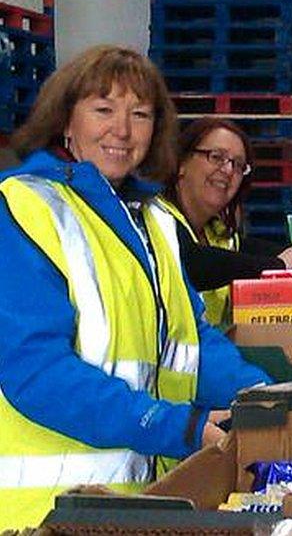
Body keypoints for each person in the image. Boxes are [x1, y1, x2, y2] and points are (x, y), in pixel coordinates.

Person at [0, 45, 271, 529]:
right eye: (103, 109)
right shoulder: (23, 209)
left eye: (140, 114)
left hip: (135, 505)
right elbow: (36, 373)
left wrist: (263, 398)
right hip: (47, 516)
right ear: (66, 119)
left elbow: (190, 340)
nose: (122, 131)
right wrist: (177, 426)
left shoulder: (153, 224)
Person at [160, 117, 292, 327]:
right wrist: (277, 266)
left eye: (239, 165)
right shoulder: (156, 216)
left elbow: (244, 252)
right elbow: (192, 262)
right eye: (216, 157)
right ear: (181, 163)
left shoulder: (215, 233)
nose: (228, 170)